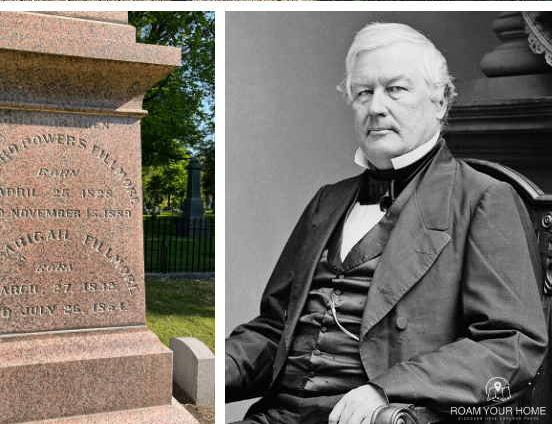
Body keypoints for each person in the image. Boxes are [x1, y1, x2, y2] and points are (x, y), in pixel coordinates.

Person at [226, 23, 547, 424]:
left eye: (395, 89)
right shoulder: (328, 200)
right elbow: (276, 328)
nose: (375, 107)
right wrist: (213, 369)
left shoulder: (483, 199)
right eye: (363, 92)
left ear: (441, 101)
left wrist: (386, 389)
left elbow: (510, 346)